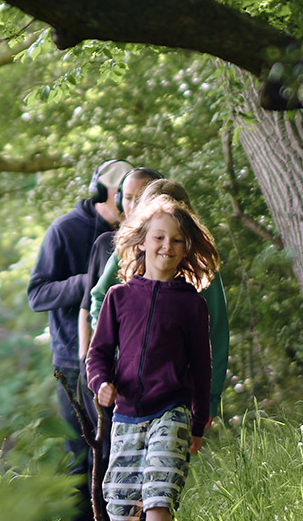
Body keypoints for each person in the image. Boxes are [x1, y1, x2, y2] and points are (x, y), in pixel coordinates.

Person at [84, 193, 221, 521]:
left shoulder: (191, 305)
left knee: (159, 493)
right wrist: (101, 384)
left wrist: (197, 422)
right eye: (159, 238)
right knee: (119, 506)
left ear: (186, 249)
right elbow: (98, 354)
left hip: (171, 411)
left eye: (177, 240)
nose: (167, 247)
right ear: (142, 241)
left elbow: (202, 368)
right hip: (126, 413)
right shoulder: (119, 297)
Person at [27, 158, 132, 521]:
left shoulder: (136, 233)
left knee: (117, 457)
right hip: (73, 362)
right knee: (84, 459)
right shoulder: (64, 230)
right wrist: (87, 282)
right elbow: (37, 293)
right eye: (126, 194)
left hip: (122, 364)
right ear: (107, 193)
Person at [86, 179, 230, 424]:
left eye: (176, 237)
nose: (167, 244)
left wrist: (211, 400)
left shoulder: (202, 270)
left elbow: (215, 334)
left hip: (175, 397)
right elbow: (100, 299)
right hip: (128, 394)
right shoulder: (128, 255)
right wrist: (122, 350)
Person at [77, 167, 162, 360]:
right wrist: (86, 359)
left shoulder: (170, 246)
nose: (133, 205)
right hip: (112, 362)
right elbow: (88, 305)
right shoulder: (105, 244)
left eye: (140, 198)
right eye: (128, 198)